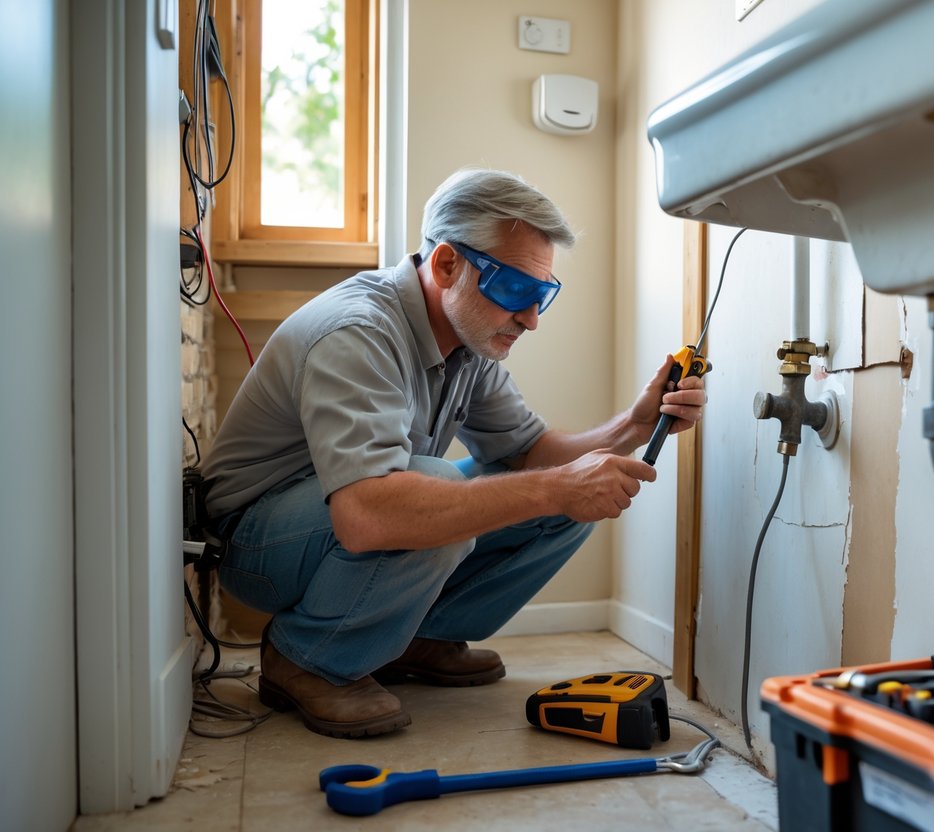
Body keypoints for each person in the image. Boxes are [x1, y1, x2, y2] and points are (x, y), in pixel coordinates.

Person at [201, 168, 707, 739]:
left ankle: (405, 639)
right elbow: (368, 515)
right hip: (257, 546)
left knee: (557, 499)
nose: (531, 319)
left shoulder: (471, 343)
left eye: (542, 294)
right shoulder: (358, 333)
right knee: (454, 483)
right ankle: (307, 657)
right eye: (515, 290)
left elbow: (530, 452)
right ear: (446, 265)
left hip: (338, 522)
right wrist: (557, 486)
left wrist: (633, 426)